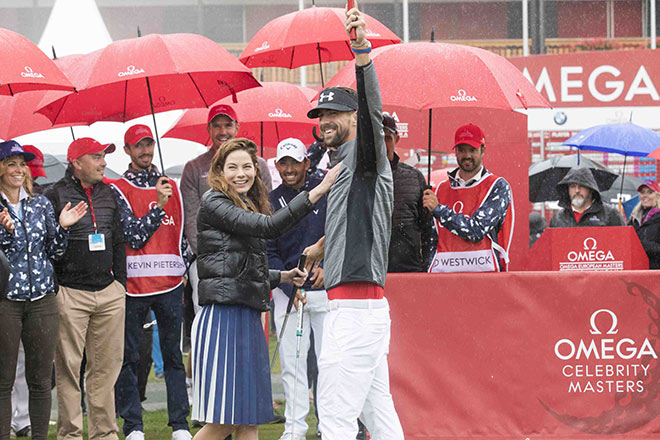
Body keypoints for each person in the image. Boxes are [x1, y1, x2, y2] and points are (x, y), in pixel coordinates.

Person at [190, 137, 338, 440]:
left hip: (247, 313)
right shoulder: (215, 202)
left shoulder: (243, 203)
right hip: (223, 317)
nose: (241, 173)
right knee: (223, 421)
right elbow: (270, 228)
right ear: (219, 170)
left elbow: (242, 268)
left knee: (249, 420)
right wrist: (318, 191)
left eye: (247, 167)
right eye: (232, 167)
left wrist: (283, 276)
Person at [302, 4, 404, 439]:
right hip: (359, 307)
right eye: (320, 116)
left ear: (354, 120)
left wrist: (362, 52)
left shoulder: (365, 154)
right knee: (380, 419)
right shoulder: (342, 166)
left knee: (336, 420)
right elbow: (360, 218)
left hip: (357, 308)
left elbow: (371, 106)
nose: (324, 121)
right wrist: (326, 244)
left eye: (333, 115)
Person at [0, 140, 86, 440]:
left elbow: (55, 251)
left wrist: (63, 227)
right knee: (4, 379)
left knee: (39, 379)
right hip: (5, 300)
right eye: (11, 164)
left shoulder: (39, 204)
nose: (18, 170)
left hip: (42, 300)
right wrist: (7, 233)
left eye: (22, 164)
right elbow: (5, 255)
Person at [111, 124, 191, 440]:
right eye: (138, 146)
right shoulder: (117, 188)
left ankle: (181, 425)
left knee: (173, 357)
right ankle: (133, 425)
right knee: (129, 357)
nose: (145, 151)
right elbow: (135, 235)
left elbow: (182, 236)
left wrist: (185, 267)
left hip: (170, 284)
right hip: (133, 285)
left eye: (149, 145)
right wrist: (158, 204)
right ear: (127, 150)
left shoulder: (172, 185)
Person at [44, 137, 127, 440]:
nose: (103, 162)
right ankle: (70, 435)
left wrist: (120, 284)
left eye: (103, 156)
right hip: (70, 293)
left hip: (109, 293)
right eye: (96, 157)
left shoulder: (109, 192)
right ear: (77, 163)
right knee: (68, 370)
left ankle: (104, 434)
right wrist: (57, 290)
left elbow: (118, 239)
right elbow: (48, 245)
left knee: (106, 369)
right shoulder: (54, 194)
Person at [267, 138, 328, 440]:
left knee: (329, 363)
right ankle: (295, 429)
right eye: (283, 163)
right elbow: (268, 249)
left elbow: (337, 235)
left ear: (307, 163)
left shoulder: (324, 193)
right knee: (292, 365)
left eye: (295, 162)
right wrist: (288, 284)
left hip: (325, 290)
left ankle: (330, 426)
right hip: (288, 294)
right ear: (277, 165)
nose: (289, 169)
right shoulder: (270, 200)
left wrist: (327, 267)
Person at [422, 123, 514, 273]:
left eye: (472, 150)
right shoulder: (439, 189)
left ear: (483, 150)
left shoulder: (497, 186)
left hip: (484, 275)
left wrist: (439, 210)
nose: (467, 156)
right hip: (443, 275)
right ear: (455, 152)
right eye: (462, 150)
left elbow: (476, 230)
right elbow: (432, 239)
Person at [382, 112, 436, 272]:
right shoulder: (359, 178)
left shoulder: (415, 177)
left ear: (396, 140)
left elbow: (428, 228)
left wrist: (425, 265)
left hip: (409, 270)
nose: (382, 144)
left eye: (387, 138)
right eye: (377, 138)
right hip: (370, 273)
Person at [548, 167, 625, 228]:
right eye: (573, 186)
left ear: (591, 189)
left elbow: (623, 242)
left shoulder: (610, 215)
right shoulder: (558, 218)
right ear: (567, 190)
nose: (577, 190)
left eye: (581, 186)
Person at [627, 180, 660, 269]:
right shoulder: (633, 218)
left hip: (655, 271)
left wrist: (641, 244)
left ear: (657, 195)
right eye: (642, 192)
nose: (645, 195)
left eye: (650, 192)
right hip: (637, 270)